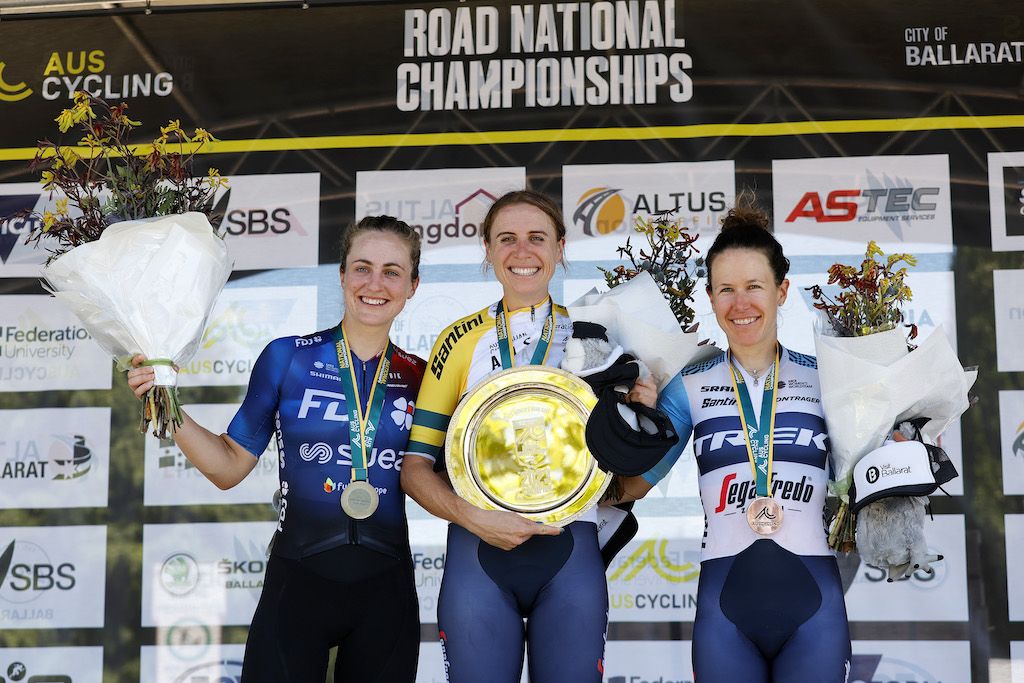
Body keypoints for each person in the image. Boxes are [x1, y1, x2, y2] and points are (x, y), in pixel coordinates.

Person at [127, 216, 426, 682]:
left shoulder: (421, 377)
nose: (375, 283)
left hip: (387, 591)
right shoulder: (288, 357)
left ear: (413, 285)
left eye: (392, 271)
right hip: (299, 582)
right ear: (342, 275)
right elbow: (227, 467)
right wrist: (164, 404)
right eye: (362, 267)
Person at [401, 190, 654, 683]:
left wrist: (643, 417)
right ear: (488, 251)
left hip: (571, 554)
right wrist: (472, 517)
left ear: (560, 248)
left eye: (537, 238)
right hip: (478, 552)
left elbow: (630, 468)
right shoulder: (458, 340)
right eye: (507, 239)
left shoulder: (602, 335)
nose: (523, 251)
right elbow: (414, 469)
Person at [617, 204, 852, 682]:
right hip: (725, 608)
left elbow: (872, 475)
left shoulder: (831, 378)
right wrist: (629, 418)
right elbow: (633, 485)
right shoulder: (688, 385)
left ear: (782, 291)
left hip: (814, 607)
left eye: (754, 287)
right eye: (726, 289)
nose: (739, 304)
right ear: (709, 295)